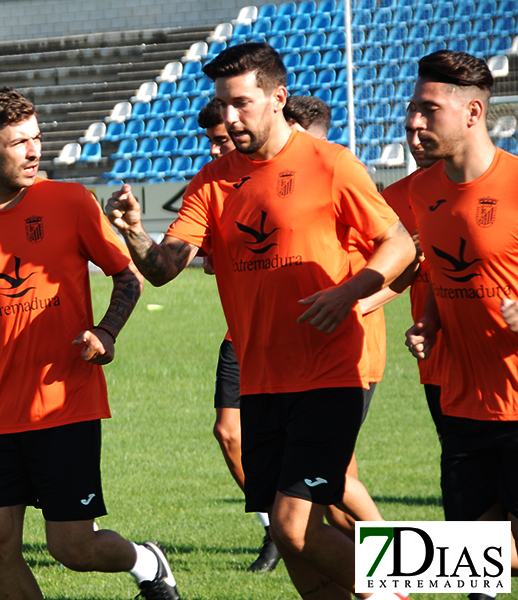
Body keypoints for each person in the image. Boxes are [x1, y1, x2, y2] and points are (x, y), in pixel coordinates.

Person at [106, 43, 415, 600]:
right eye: (222, 104)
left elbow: (398, 244)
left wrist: (350, 292)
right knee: (293, 535)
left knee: (295, 528)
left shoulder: (331, 164)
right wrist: (133, 230)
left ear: (278, 99)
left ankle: (400, 588)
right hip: (261, 381)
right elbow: (164, 269)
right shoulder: (212, 181)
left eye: (241, 104)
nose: (228, 118)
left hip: (328, 374)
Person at [0, 87, 179, 600]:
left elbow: (130, 276)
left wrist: (106, 332)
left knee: (72, 549)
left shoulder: (69, 201)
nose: (33, 151)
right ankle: (377, 582)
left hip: (62, 405)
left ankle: (147, 561)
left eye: (37, 138)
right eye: (18, 141)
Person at [404, 50, 518, 587]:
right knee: (471, 564)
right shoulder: (422, 191)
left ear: (473, 113)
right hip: (462, 404)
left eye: (429, 110)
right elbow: (448, 269)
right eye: (412, 108)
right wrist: (430, 319)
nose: (413, 122)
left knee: (487, 553)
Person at [196, 97, 281, 573]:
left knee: (337, 485)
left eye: (221, 141)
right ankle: (275, 529)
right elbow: (200, 258)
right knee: (229, 432)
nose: (214, 150)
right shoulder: (215, 188)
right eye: (210, 142)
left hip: (307, 342)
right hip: (241, 338)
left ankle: (393, 570)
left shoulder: (304, 176)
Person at [383, 120, 447, 441]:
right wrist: (409, 253)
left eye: (424, 129)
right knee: (454, 449)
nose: (416, 139)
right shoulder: (393, 196)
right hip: (430, 346)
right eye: (409, 131)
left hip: (492, 343)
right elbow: (379, 271)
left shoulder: (502, 182)